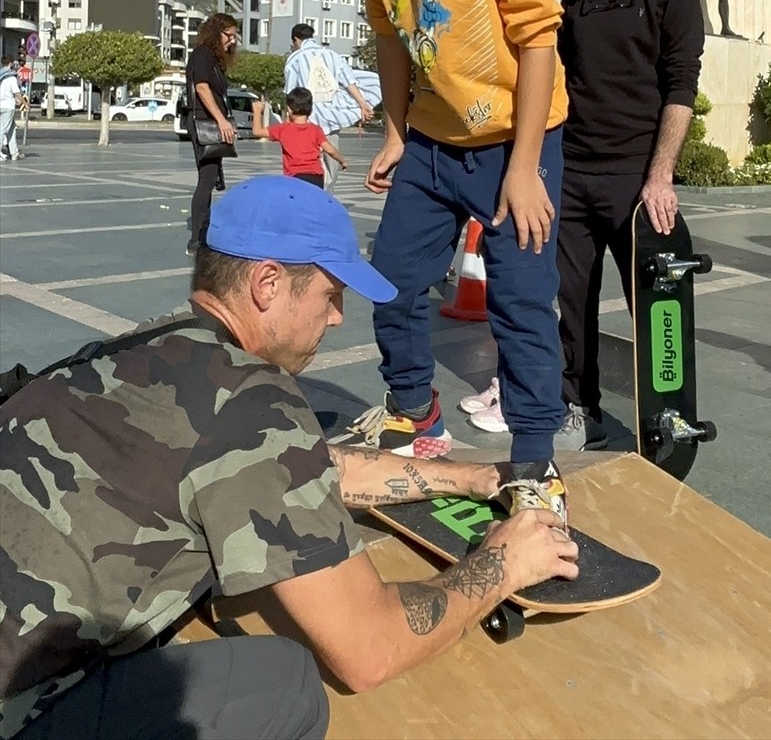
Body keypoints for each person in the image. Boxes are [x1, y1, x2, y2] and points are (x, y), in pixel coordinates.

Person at [0, 176, 578, 740]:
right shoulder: (252, 396)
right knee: (285, 685)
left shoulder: (133, 351)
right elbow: (368, 649)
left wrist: (473, 477)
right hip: (19, 708)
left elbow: (294, 466)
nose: (337, 316)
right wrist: (503, 563)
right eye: (331, 293)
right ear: (268, 283)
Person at [303, 0, 567, 468]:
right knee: (390, 282)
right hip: (429, 141)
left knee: (520, 301)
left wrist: (524, 170)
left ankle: (534, 459)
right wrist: (395, 133)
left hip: (517, 140)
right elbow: (392, 39)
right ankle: (415, 412)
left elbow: (538, 43)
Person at [553, 0, 704, 449]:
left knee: (656, 305)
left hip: (637, 182)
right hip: (572, 173)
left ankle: (664, 418)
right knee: (572, 302)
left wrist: (660, 176)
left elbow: (681, 87)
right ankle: (579, 408)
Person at [284, 24, 375, 189]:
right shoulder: (333, 55)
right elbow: (349, 82)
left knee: (306, 161)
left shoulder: (295, 58)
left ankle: (309, 193)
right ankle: (326, 196)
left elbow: (290, 92)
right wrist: (363, 104)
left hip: (307, 119)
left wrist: (287, 120)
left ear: (296, 39)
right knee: (331, 163)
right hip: (332, 117)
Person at [185, 13, 239, 256]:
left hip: (210, 121)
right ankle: (197, 239)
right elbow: (202, 87)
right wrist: (221, 120)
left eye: (234, 37)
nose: (232, 41)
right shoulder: (203, 55)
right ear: (216, 33)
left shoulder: (211, 58)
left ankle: (202, 234)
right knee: (206, 180)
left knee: (209, 178)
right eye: (229, 35)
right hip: (204, 122)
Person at [251, 87, 347, 188]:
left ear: (289, 109)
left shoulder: (283, 129)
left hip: (294, 177)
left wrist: (257, 111)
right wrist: (342, 161)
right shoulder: (316, 129)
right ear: (310, 108)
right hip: (316, 177)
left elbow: (257, 132)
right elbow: (330, 150)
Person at [0, 57, 27, 162]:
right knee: (2, 129)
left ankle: (14, 153)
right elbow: (17, 93)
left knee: (12, 129)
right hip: (8, 106)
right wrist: (25, 103)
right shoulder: (11, 78)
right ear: (10, 63)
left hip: (1, 105)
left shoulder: (1, 75)